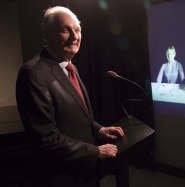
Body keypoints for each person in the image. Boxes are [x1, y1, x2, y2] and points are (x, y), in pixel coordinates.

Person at [16, 6, 125, 187]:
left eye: (77, 30)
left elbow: (76, 117)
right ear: (46, 35)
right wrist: (95, 152)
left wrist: (98, 130)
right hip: (61, 177)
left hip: (84, 173)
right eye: (65, 30)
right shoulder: (33, 73)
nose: (75, 37)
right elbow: (45, 138)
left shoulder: (69, 66)